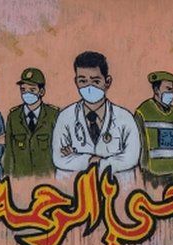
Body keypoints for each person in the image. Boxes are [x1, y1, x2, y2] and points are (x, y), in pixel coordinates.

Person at [52, 51, 141, 184]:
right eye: (83, 81)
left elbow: (131, 157)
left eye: (95, 81)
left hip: (119, 191)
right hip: (76, 192)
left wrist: (93, 162)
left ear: (107, 82)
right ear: (76, 82)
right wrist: (92, 160)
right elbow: (59, 159)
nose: (89, 87)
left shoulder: (125, 118)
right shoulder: (65, 117)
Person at [3, 67, 59, 177]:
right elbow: (9, 152)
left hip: (46, 179)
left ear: (41, 91)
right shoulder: (13, 117)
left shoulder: (53, 115)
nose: (27, 94)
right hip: (20, 178)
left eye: (32, 90)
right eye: (23, 90)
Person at [134, 71, 173, 186]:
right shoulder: (143, 112)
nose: (171, 93)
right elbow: (139, 145)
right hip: (154, 176)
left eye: (172, 89)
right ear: (156, 90)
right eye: (167, 89)